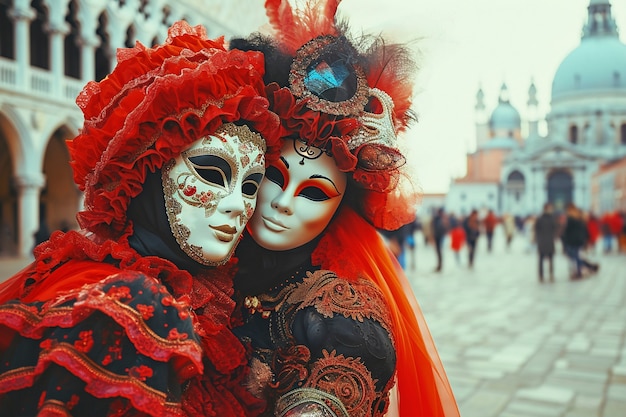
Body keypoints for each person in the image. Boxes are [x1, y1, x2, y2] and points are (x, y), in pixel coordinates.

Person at [0, 21, 281, 416]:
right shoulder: (128, 309)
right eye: (212, 174)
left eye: (251, 186)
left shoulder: (196, 300)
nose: (239, 205)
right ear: (144, 173)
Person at [229, 1, 459, 416]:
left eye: (314, 193)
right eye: (273, 177)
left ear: (339, 208)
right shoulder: (205, 272)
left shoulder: (341, 324)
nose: (282, 204)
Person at [561, 202, 599, 279]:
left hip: (571, 241)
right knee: (575, 256)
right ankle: (583, 269)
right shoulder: (580, 218)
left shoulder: (571, 219)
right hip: (578, 240)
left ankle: (582, 270)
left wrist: (564, 239)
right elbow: (584, 230)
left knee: (574, 257)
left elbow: (567, 231)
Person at [534, 203, 558, 282]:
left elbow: (555, 229)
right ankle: (541, 275)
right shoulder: (541, 219)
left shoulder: (551, 218)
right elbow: (536, 230)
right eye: (550, 208)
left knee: (550, 260)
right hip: (543, 241)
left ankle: (551, 274)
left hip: (549, 241)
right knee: (541, 260)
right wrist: (538, 239)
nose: (551, 210)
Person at [432, 207, 449, 272]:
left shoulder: (442, 219)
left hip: (440, 237)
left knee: (439, 251)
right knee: (438, 251)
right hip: (437, 237)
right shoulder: (437, 219)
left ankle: (440, 265)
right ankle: (439, 265)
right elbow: (434, 228)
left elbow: (446, 228)